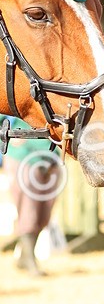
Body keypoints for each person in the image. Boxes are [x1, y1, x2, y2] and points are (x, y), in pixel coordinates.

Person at [1, 117, 60, 275]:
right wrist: (5, 139)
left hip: (51, 155)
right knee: (29, 209)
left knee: (44, 212)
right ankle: (29, 259)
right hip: (23, 155)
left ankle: (24, 256)